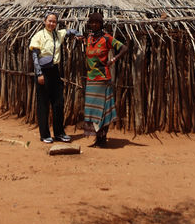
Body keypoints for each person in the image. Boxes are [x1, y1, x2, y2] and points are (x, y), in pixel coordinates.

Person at [29, 12, 76, 144]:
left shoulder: (58, 34)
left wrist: (76, 34)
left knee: (58, 103)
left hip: (55, 71)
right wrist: (39, 74)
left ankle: (59, 133)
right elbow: (34, 56)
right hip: (43, 72)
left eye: (54, 21)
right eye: (49, 21)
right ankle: (44, 135)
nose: (51, 23)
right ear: (44, 21)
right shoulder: (39, 36)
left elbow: (68, 31)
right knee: (43, 104)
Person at [83, 11, 128, 147]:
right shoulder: (89, 38)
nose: (94, 24)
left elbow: (124, 48)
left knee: (102, 110)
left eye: (97, 22)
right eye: (92, 22)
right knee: (92, 110)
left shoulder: (107, 38)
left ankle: (103, 139)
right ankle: (98, 138)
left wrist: (113, 59)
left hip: (103, 79)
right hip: (91, 79)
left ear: (101, 24)